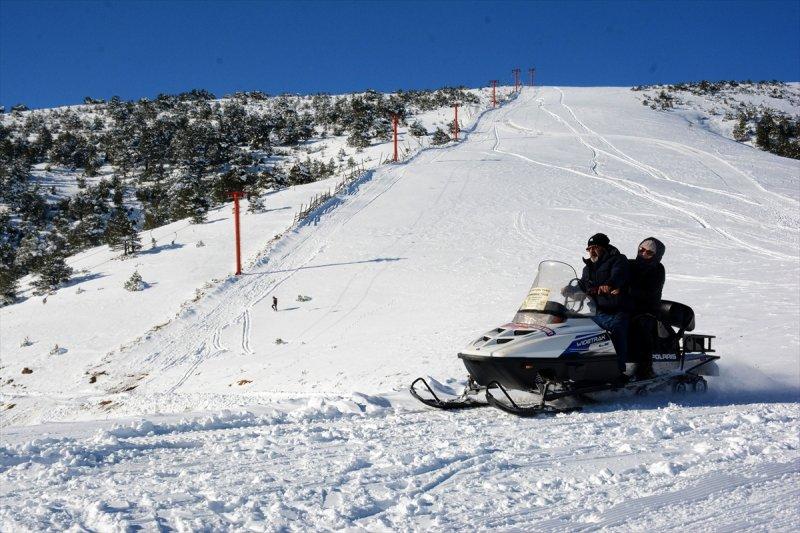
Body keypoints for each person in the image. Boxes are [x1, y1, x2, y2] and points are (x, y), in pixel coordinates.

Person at [578, 233, 630, 377]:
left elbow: (618, 275)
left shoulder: (618, 260)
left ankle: (619, 371)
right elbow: (583, 284)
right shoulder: (587, 268)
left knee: (617, 329)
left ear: (604, 248)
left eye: (595, 248)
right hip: (597, 311)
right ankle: (582, 367)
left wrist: (610, 284)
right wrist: (569, 289)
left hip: (617, 310)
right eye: (589, 249)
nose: (592, 251)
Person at [627, 237, 666, 380]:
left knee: (641, 326)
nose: (643, 254)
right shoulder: (629, 265)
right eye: (641, 250)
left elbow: (649, 292)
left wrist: (626, 290)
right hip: (625, 307)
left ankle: (645, 369)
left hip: (646, 310)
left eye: (649, 252)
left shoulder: (657, 270)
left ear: (656, 256)